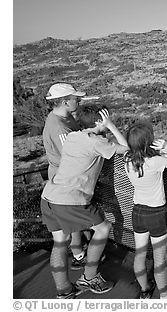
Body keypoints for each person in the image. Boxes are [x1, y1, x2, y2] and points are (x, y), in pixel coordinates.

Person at [41, 105, 128, 298]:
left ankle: (64, 290)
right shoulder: (97, 143)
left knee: (60, 242)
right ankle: (89, 277)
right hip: (70, 200)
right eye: (105, 118)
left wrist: (104, 131)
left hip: (49, 195)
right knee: (103, 228)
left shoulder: (74, 137)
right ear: (99, 121)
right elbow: (128, 149)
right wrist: (111, 126)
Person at [124, 122, 167, 299]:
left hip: (137, 211)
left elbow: (132, 150)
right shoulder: (155, 162)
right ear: (148, 142)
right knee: (159, 259)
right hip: (156, 214)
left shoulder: (128, 159)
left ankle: (145, 289)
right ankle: (165, 297)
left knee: (140, 253)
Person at [42, 83, 92, 270]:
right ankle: (79, 256)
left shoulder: (62, 116)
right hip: (64, 177)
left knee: (71, 218)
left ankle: (79, 251)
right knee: (71, 216)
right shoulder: (59, 127)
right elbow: (72, 155)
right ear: (64, 101)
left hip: (62, 174)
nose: (77, 100)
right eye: (74, 98)